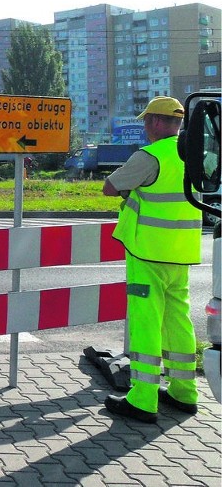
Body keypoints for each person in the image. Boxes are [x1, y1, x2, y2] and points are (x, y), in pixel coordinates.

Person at [102, 96, 202, 424]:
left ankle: (143, 399)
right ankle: (184, 392)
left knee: (146, 321)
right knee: (178, 319)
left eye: (147, 121)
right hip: (181, 252)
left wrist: (130, 192)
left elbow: (110, 186)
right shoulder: (197, 155)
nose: (144, 127)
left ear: (158, 122)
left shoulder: (150, 155)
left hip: (147, 254)